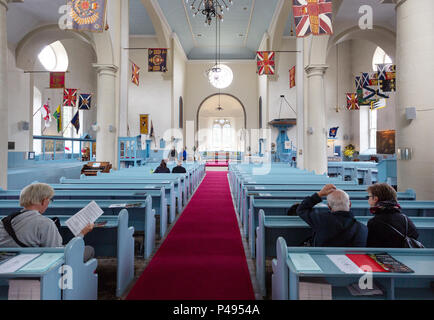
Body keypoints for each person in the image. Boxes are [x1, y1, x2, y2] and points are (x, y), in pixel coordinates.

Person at [0, 183, 94, 262]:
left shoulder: (4, 221)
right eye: (50, 200)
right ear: (44, 201)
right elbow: (58, 253)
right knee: (89, 250)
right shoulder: (45, 223)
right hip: (29, 265)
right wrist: (81, 234)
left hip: (4, 264)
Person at [296, 184, 368, 247]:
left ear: (329, 207)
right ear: (350, 204)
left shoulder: (321, 220)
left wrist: (320, 194)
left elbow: (301, 209)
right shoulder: (362, 229)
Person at [366, 183, 419, 248]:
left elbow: (371, 248)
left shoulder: (374, 222)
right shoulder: (406, 219)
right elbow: (415, 236)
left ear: (375, 199)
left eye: (369, 197)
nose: (368, 200)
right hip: (407, 257)